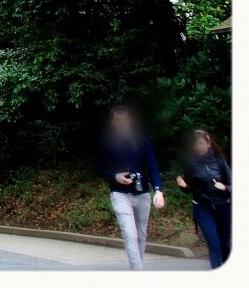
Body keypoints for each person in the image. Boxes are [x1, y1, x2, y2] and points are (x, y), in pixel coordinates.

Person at [95, 105, 166, 270]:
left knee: (141, 235)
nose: (122, 123)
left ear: (130, 120)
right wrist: (114, 176)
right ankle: (138, 270)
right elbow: (98, 168)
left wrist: (158, 190)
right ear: (113, 122)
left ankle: (136, 269)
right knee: (130, 233)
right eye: (118, 120)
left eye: (124, 119)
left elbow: (153, 166)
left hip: (142, 193)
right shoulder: (107, 143)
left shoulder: (142, 141)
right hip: (120, 194)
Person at [175, 129, 232, 268]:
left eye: (201, 143)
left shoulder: (220, 161)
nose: (198, 147)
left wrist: (225, 187)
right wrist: (183, 185)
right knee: (214, 243)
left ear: (208, 144)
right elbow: (190, 188)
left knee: (225, 244)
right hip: (202, 207)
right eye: (195, 144)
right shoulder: (191, 163)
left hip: (223, 206)